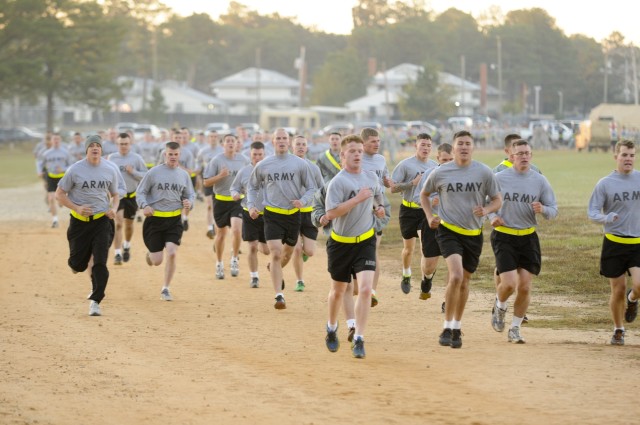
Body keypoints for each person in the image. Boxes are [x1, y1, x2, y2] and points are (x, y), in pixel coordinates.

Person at [421, 130, 502, 349]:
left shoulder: (484, 172)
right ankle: (446, 326)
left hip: (473, 234)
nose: (464, 147)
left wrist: (486, 209)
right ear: (453, 147)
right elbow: (424, 194)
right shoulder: (442, 172)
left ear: (473, 148)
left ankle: (457, 327)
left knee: (465, 281)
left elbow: (497, 199)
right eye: (460, 143)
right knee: (455, 276)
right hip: (448, 231)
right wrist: (430, 217)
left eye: (468, 143)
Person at [488, 140, 558, 343]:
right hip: (504, 236)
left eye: (527, 153)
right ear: (511, 156)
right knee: (509, 284)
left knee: (525, 287)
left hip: (528, 237)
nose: (524, 157)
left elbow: (553, 209)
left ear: (532, 155)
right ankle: (500, 307)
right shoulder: (498, 178)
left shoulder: (540, 181)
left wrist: (543, 209)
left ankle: (515, 329)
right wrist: (493, 218)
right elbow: (484, 203)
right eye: (520, 153)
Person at [324, 134, 385, 359]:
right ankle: (331, 328)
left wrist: (379, 209)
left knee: (366, 289)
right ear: (343, 155)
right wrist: (358, 199)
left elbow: (378, 198)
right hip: (341, 244)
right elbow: (331, 213)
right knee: (338, 291)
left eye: (360, 150)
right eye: (352, 151)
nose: (357, 154)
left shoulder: (370, 177)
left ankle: (359, 337)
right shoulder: (338, 182)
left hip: (365, 240)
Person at [247, 128, 316, 310]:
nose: (282, 141)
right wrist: (251, 205)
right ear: (273, 141)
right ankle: (279, 295)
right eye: (278, 138)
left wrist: (303, 201)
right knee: (276, 253)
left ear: (289, 141)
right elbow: (252, 187)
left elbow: (311, 188)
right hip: (272, 214)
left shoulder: (300, 164)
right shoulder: (263, 164)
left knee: (287, 253)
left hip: (293, 215)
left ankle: (274, 269)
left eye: (285, 138)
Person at [55, 134, 120, 316]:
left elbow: (115, 195)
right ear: (86, 149)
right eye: (91, 145)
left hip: (101, 221)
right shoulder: (75, 170)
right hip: (79, 223)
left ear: (101, 149)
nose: (95, 148)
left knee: (100, 260)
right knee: (77, 264)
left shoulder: (110, 169)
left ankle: (95, 300)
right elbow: (59, 194)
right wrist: (77, 207)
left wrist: (113, 209)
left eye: (97, 145)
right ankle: (77, 265)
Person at [588, 139, 640, 345]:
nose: (628, 159)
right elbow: (592, 212)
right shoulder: (605, 183)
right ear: (616, 157)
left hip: (637, 242)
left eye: (632, 155)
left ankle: (633, 299)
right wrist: (606, 218)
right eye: (625, 155)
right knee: (617, 289)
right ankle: (619, 329)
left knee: (638, 284)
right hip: (614, 243)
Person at [136, 141, 195, 301]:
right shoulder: (154, 173)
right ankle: (151, 254)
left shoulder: (183, 174)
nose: (173, 157)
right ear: (165, 154)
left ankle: (165, 288)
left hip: (174, 221)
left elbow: (190, 194)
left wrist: (190, 202)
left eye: (176, 154)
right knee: (156, 260)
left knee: (172, 252)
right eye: (170, 154)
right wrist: (145, 205)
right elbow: (140, 192)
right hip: (154, 221)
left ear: (179, 155)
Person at [389, 133, 438, 294]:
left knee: (426, 248)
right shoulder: (405, 165)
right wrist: (412, 183)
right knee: (408, 249)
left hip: (425, 211)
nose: (425, 148)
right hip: (408, 210)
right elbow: (393, 188)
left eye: (428, 145)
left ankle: (426, 279)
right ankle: (406, 273)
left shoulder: (434, 166)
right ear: (415, 146)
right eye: (422, 145)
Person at [203, 134, 249, 279]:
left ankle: (234, 259)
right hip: (220, 201)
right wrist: (220, 176)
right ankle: (219, 263)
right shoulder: (217, 160)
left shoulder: (244, 160)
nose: (230, 143)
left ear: (237, 144)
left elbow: (249, 179)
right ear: (223, 144)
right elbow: (206, 182)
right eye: (227, 141)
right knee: (221, 234)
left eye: (233, 141)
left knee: (236, 230)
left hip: (237, 201)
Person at [230, 141, 270, 288]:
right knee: (252, 246)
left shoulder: (270, 170)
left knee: (266, 250)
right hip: (249, 213)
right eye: (255, 155)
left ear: (264, 154)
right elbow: (234, 188)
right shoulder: (244, 171)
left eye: (260, 154)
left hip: (267, 214)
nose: (257, 157)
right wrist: (235, 194)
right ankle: (254, 277)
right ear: (250, 155)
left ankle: (261, 241)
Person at [416, 142, 453, 303]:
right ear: (438, 158)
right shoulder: (430, 174)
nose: (448, 163)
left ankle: (448, 300)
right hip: (433, 222)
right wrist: (432, 201)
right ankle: (427, 278)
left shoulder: (462, 175)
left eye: (451, 159)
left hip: (454, 225)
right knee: (430, 265)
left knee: (455, 264)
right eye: (445, 160)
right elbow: (418, 197)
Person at [360, 127, 392, 307]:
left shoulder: (381, 159)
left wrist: (388, 181)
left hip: (378, 210)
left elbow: (386, 178)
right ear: (363, 143)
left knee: (373, 250)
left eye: (378, 141)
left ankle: (372, 291)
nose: (377, 144)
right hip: (360, 210)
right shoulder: (358, 159)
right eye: (372, 141)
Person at [107, 133, 147, 265]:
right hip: (118, 196)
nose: (123, 146)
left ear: (130, 144)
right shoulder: (111, 158)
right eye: (120, 144)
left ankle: (127, 245)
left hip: (132, 195)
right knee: (118, 223)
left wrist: (133, 172)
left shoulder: (137, 159)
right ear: (116, 144)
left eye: (125, 144)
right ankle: (117, 253)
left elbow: (146, 176)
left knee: (129, 225)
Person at [291, 135, 324, 292]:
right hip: (291, 213)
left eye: (303, 144)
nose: (301, 147)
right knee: (296, 249)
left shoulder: (313, 168)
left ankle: (305, 253)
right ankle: (299, 280)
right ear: (292, 146)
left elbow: (321, 189)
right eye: (298, 144)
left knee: (309, 251)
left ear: (307, 147)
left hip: (309, 213)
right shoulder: (286, 166)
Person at [41, 133, 75, 228]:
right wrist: (41, 173)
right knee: (51, 198)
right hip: (51, 177)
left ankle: (61, 201)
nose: (56, 141)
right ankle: (55, 220)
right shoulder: (46, 153)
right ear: (51, 141)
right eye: (54, 139)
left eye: (58, 139)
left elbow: (72, 165)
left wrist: (63, 169)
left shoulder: (65, 152)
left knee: (60, 200)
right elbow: (42, 165)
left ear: (60, 141)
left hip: (62, 177)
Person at [196, 130, 222, 239]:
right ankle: (210, 228)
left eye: (215, 136)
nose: (213, 138)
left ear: (218, 138)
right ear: (208, 138)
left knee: (218, 206)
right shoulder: (203, 151)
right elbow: (198, 164)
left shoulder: (222, 150)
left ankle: (217, 226)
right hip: (208, 180)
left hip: (220, 182)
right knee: (209, 205)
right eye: (211, 136)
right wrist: (198, 174)